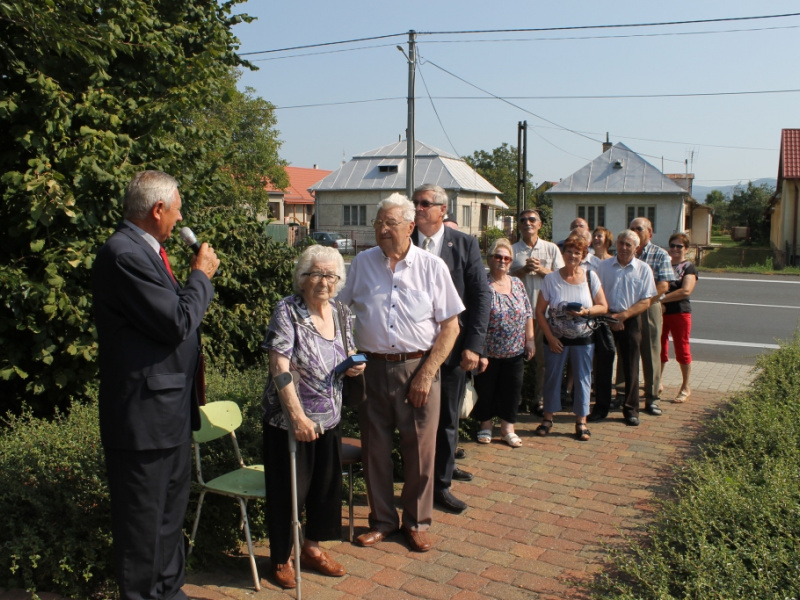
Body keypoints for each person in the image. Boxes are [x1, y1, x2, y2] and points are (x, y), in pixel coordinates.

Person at [93, 170, 220, 600]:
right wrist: (200, 276)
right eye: (178, 208)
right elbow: (176, 322)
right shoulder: (123, 253)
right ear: (158, 210)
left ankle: (169, 590)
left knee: (168, 518)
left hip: (168, 414)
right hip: (143, 420)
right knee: (143, 527)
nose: (181, 217)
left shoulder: (149, 252)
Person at [338, 193, 464, 553]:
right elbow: (340, 310)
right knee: (374, 449)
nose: (381, 229)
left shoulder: (431, 267)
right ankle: (381, 521)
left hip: (418, 369)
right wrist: (348, 352)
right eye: (378, 223)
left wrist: (426, 374)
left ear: (410, 226)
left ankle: (417, 522)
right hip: (371, 369)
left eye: (389, 223)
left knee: (421, 452)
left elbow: (451, 327)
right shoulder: (362, 263)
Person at [261, 245, 364, 589]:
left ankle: (312, 549)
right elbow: (279, 365)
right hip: (291, 424)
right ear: (302, 278)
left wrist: (354, 364)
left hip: (329, 418)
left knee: (324, 489)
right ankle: (281, 558)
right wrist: (297, 417)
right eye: (316, 274)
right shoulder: (287, 311)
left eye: (331, 275)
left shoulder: (341, 311)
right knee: (289, 492)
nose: (324, 281)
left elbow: (346, 350)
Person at [411, 184, 491, 514]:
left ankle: (440, 487)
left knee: (446, 420)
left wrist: (474, 346)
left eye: (425, 204)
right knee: (412, 420)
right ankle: (412, 480)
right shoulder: (405, 242)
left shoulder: (465, 245)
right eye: (415, 203)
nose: (417, 208)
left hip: (453, 350)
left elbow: (480, 297)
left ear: (443, 209)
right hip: (411, 349)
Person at [535, 234, 608, 441]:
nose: (572, 255)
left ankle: (581, 422)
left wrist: (585, 312)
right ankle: (548, 419)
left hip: (583, 339)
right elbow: (540, 311)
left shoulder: (590, 277)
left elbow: (603, 306)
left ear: (583, 255)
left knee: (583, 379)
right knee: (552, 378)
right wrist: (549, 337)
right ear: (563, 253)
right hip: (556, 339)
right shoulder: (551, 279)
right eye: (569, 251)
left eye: (577, 252)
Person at [589, 229, 657, 427]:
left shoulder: (643, 269)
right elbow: (595, 293)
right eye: (621, 243)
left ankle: (631, 410)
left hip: (631, 319)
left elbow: (646, 300)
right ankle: (600, 408)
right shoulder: (603, 266)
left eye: (629, 244)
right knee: (602, 366)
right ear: (616, 244)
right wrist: (610, 317)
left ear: (637, 248)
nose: (624, 248)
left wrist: (624, 316)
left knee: (631, 367)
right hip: (605, 319)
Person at [472, 238, 535, 448]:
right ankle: (486, 426)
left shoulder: (516, 283)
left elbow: (527, 312)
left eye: (507, 258)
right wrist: (479, 350)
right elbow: (476, 318)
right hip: (488, 352)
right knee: (486, 390)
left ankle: (508, 428)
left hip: (515, 351)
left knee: (512, 391)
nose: (502, 261)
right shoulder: (483, 284)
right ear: (490, 258)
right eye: (498, 256)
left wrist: (530, 340)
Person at [510, 209, 564, 415]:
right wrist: (522, 271)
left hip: (545, 315)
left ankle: (539, 399)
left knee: (542, 361)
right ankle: (517, 399)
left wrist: (541, 270)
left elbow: (561, 278)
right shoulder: (512, 249)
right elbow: (501, 277)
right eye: (522, 220)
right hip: (518, 316)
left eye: (532, 219)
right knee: (516, 361)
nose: (527, 223)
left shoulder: (551, 249)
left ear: (540, 224)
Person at [630, 217, 676, 416]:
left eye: (639, 228)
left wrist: (644, 303)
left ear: (650, 232)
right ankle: (624, 395)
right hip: (627, 308)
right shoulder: (625, 251)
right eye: (631, 228)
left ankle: (651, 398)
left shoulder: (660, 254)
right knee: (627, 352)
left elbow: (664, 285)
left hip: (649, 307)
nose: (634, 231)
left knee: (650, 352)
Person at [660, 232, 698, 404]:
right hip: (661, 313)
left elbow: (685, 291)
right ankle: (657, 382)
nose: (675, 249)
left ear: (686, 249)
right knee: (659, 348)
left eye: (679, 246)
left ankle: (685, 386)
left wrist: (661, 299)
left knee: (682, 349)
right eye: (672, 245)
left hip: (680, 312)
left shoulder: (689, 267)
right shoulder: (664, 264)